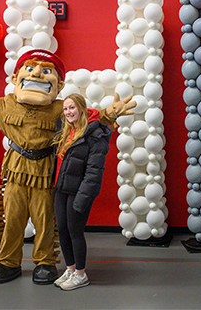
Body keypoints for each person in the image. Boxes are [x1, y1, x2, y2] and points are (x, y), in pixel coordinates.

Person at [0, 49, 135, 285]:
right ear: (15, 78)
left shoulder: (59, 108)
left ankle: (45, 262)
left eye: (46, 71)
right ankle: (8, 261)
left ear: (59, 84)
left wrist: (109, 114)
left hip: (46, 171)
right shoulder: (5, 104)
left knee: (44, 218)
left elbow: (85, 118)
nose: (36, 73)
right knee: (12, 217)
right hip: (15, 169)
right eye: (30, 68)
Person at [52, 93, 112, 291]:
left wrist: (82, 198)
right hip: (61, 188)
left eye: (72, 108)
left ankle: (81, 274)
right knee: (62, 229)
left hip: (79, 191)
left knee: (75, 231)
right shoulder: (65, 131)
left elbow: (94, 173)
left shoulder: (96, 135)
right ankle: (70, 269)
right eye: (66, 109)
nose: (68, 112)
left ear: (82, 108)